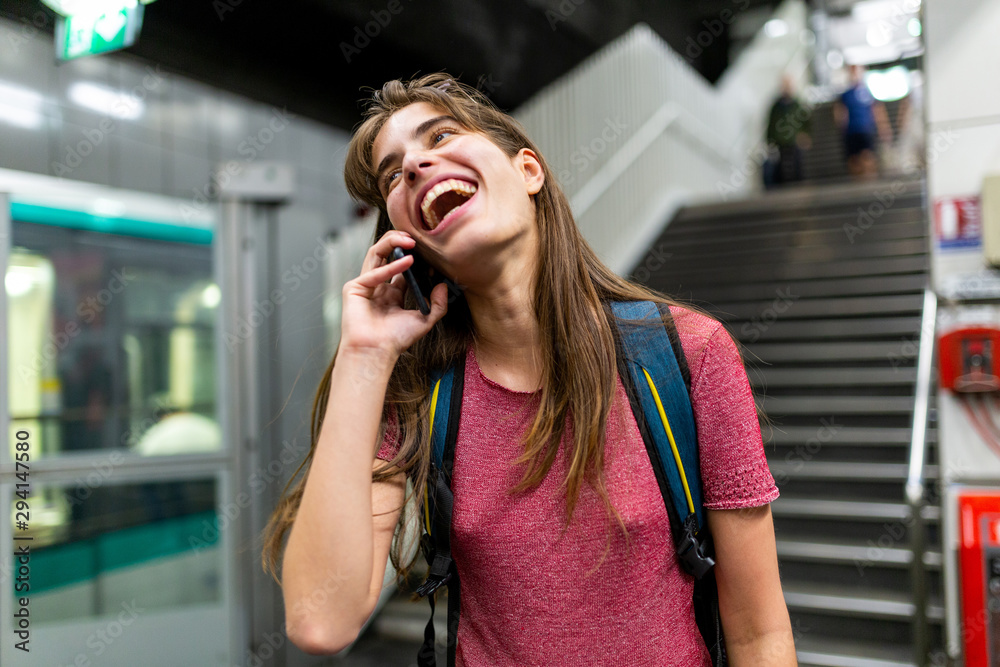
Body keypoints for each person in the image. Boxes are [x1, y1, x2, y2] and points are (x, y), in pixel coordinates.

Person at [262, 74, 795, 666]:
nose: (414, 165)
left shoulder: (688, 354)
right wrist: (364, 356)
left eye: (440, 135)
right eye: (393, 172)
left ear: (528, 171)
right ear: (408, 242)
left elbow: (758, 634)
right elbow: (319, 618)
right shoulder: (419, 393)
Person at [834, 64, 893, 180]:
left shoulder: (868, 92)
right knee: (853, 159)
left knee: (868, 156)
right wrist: (841, 126)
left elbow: (877, 110)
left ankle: (870, 179)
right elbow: (840, 112)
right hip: (851, 131)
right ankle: (857, 181)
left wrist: (883, 127)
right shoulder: (845, 94)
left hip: (866, 129)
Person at [765, 75, 812, 187]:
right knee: (780, 165)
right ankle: (781, 186)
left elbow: (806, 121)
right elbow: (771, 124)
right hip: (780, 141)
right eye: (784, 85)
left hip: (794, 139)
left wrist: (806, 135)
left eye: (788, 84)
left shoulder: (797, 104)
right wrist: (769, 141)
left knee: (797, 163)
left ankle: (799, 184)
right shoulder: (776, 106)